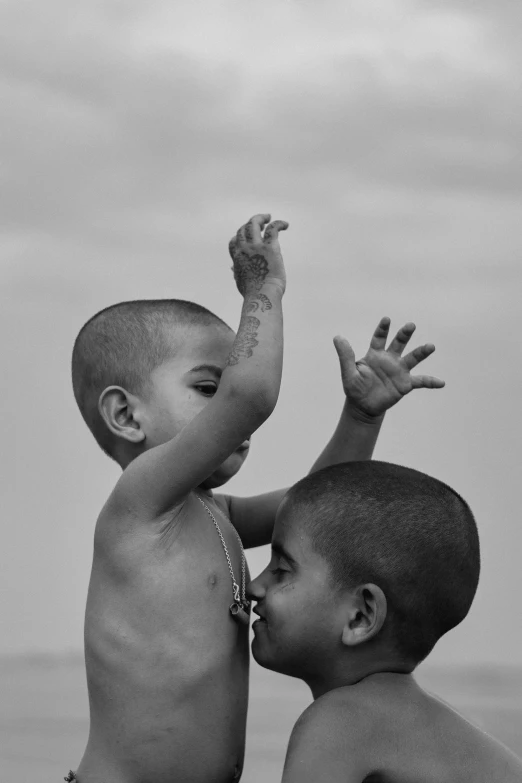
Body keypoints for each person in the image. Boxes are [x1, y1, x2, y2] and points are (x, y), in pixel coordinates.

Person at [68, 213, 444, 783]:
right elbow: (251, 397)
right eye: (207, 388)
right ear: (126, 414)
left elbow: (319, 504)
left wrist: (361, 416)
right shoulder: (139, 508)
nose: (228, 408)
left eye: (226, 388)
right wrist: (262, 292)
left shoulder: (216, 517)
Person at [248, 461, 522, 782]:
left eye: (281, 570)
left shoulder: (340, 722)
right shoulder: (492, 757)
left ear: (361, 616)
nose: (254, 586)